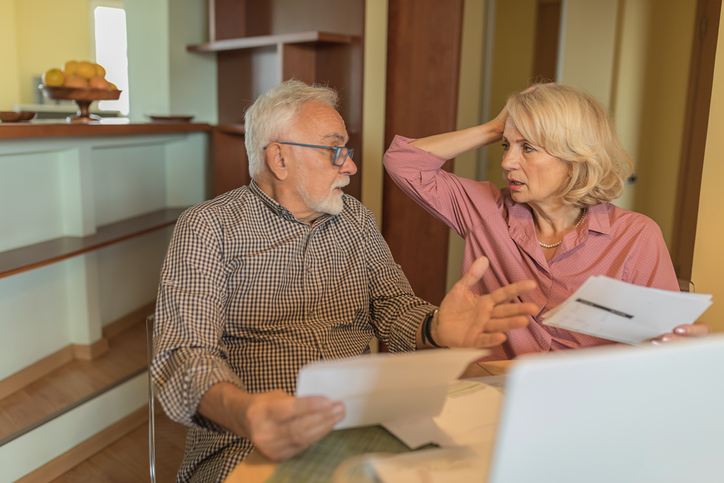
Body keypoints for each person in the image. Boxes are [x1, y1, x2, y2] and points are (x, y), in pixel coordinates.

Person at [151, 79, 539, 483]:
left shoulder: (355, 218)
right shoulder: (208, 227)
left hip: (367, 421)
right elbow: (183, 354)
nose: (350, 165)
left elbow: (394, 307)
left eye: (347, 151)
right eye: (335, 150)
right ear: (279, 159)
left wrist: (435, 326)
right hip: (253, 438)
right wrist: (246, 413)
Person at [384, 83, 711, 364]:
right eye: (506, 145)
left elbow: (663, 343)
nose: (507, 162)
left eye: (527, 148)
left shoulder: (636, 236)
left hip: (585, 403)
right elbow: (404, 163)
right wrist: (496, 127)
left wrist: (680, 345)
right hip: (487, 391)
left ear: (574, 159)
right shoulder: (486, 209)